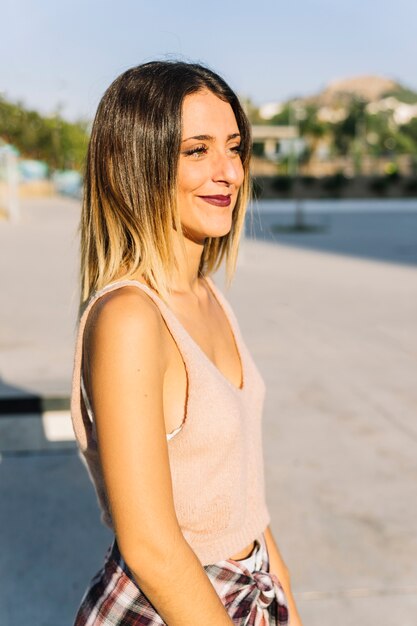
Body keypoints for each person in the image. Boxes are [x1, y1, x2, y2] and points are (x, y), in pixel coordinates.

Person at [70, 60, 303, 626]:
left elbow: (241, 494)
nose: (229, 172)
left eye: (234, 147)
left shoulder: (208, 298)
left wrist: (287, 601)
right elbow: (151, 545)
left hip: (248, 595)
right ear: (136, 164)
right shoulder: (130, 317)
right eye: (197, 150)